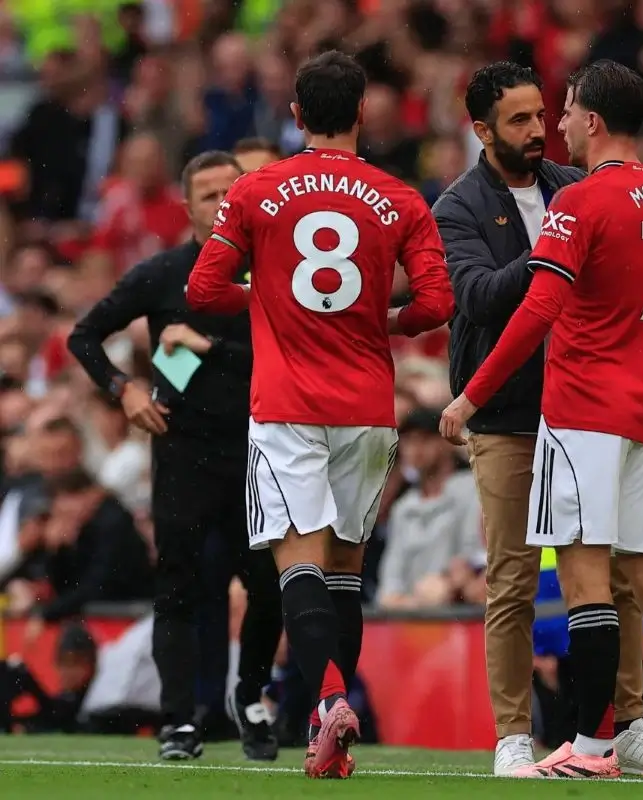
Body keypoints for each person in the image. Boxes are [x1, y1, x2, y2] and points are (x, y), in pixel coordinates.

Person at [440, 60, 643, 780]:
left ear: (591, 120)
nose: (552, 126)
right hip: (639, 420)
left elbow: (538, 309)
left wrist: (468, 396)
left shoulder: (582, 199)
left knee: (591, 580)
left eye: (559, 112)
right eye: (530, 118)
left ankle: (595, 746)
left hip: (581, 412)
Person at [186, 50, 454, 779]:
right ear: (363, 113)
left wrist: (272, 300)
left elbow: (204, 287)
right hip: (368, 406)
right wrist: (380, 317)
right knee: (344, 570)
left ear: (296, 115)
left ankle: (329, 701)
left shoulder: (255, 191)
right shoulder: (400, 198)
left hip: (287, 406)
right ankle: (323, 735)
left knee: (294, 561)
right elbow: (436, 304)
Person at [67, 150, 284, 762]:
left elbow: (288, 360)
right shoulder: (163, 274)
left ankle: (250, 695)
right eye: (209, 194)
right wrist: (124, 388)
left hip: (259, 455)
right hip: (184, 456)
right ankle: (178, 721)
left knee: (268, 588)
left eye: (230, 191)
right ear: (187, 208)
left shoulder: (273, 272)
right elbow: (83, 336)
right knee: (179, 590)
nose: (221, 203)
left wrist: (205, 346)